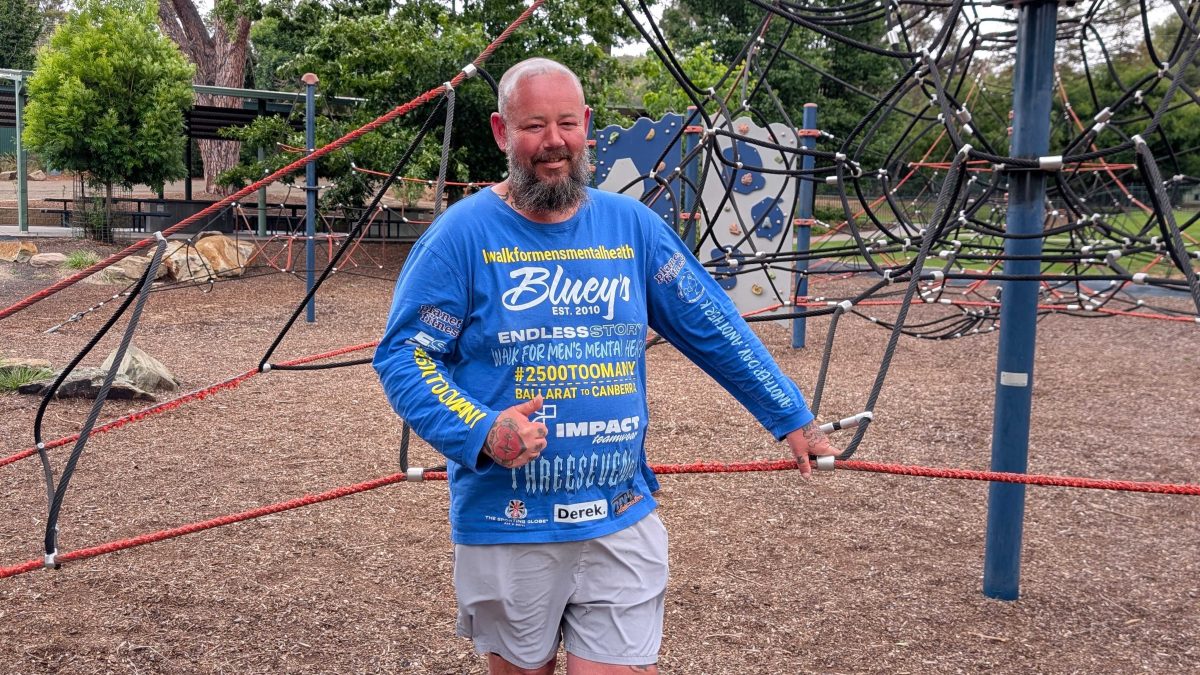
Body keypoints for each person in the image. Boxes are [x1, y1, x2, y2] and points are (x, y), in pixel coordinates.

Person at [373, 57, 840, 675]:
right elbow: (405, 357)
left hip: (620, 511)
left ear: (587, 125)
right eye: (533, 126)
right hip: (509, 519)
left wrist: (789, 413)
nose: (554, 142)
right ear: (500, 132)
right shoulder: (460, 237)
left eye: (567, 123)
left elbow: (714, 326)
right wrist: (480, 428)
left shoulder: (633, 229)